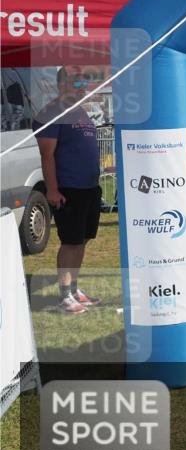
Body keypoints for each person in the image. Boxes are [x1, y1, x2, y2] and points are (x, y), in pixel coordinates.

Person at [34, 67, 103, 313]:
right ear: (62, 84)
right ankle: (64, 296)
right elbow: (47, 154)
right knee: (70, 242)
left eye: (84, 83)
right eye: (76, 83)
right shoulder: (51, 113)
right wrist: (52, 189)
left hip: (89, 187)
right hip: (68, 189)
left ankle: (74, 289)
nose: (82, 87)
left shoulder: (80, 111)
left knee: (82, 240)